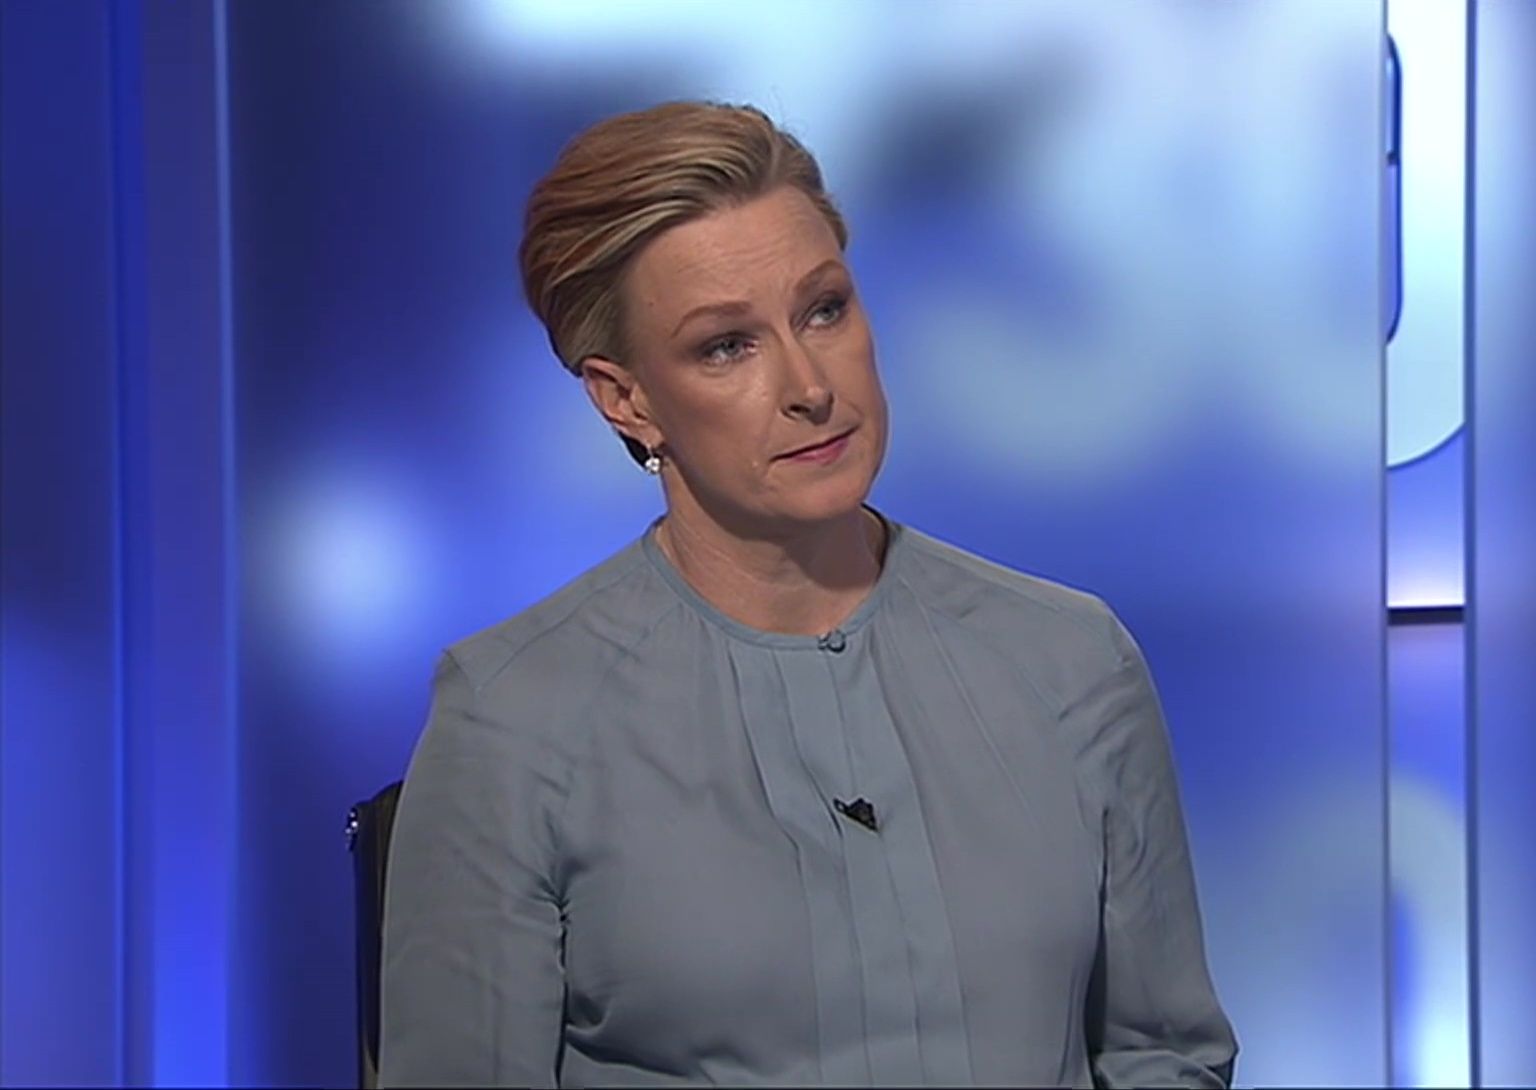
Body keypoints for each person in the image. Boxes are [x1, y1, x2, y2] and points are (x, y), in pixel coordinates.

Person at [378, 100, 1237, 1088]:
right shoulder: (515, 718)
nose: (809, 386)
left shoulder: (1071, 661)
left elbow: (1164, 1052)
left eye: (824, 310)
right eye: (726, 346)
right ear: (627, 398)